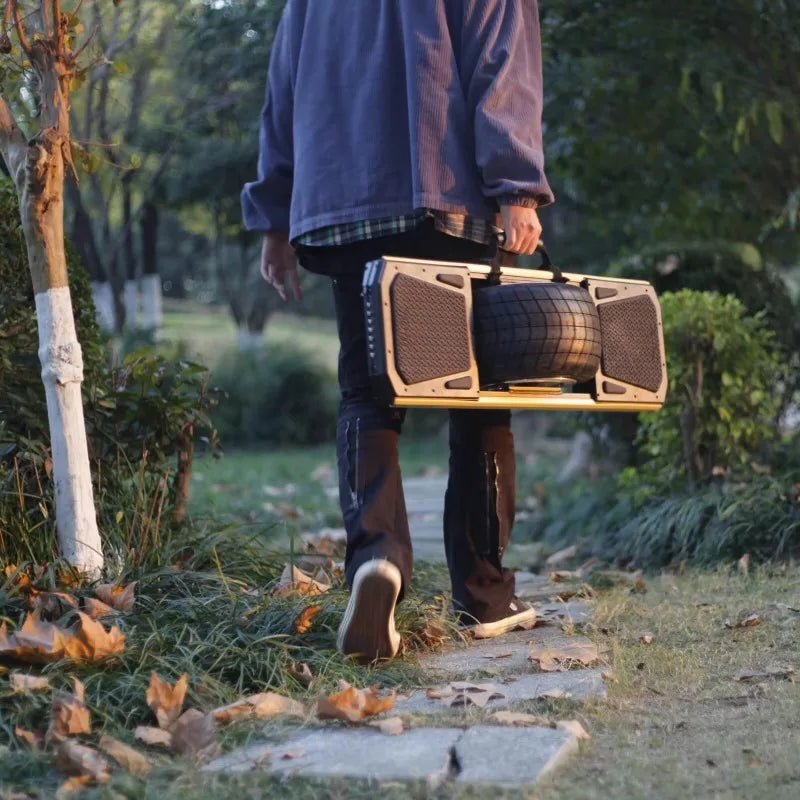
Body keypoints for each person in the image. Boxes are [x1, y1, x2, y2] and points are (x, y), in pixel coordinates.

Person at [242, 0, 553, 663]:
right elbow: (501, 56)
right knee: (479, 395)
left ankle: (376, 561)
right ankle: (486, 595)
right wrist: (516, 187)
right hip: (447, 198)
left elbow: (283, 87)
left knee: (368, 392)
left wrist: (275, 216)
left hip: (341, 205)